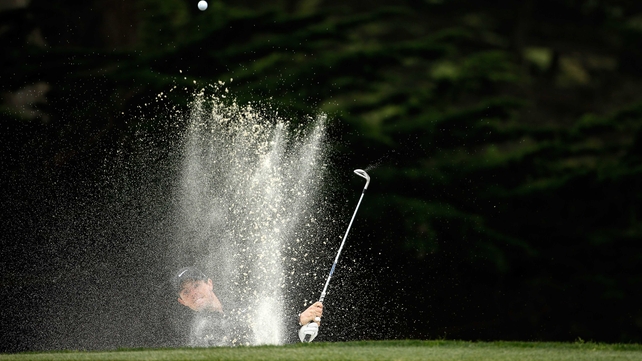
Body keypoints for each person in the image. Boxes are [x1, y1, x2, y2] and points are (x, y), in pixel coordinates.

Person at [173, 266, 323, 346]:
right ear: (182, 301)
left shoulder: (237, 306)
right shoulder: (199, 330)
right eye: (186, 292)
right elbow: (245, 334)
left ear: (209, 283)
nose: (193, 293)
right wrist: (296, 322)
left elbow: (264, 326)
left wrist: (300, 323)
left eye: (196, 285)